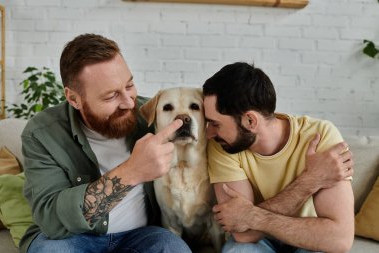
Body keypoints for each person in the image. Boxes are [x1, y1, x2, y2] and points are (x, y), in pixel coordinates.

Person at [19, 34, 191, 253]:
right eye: (110, 97)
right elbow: (52, 220)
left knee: (173, 248)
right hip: (71, 238)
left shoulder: (151, 114)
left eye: (129, 85)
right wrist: (132, 172)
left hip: (141, 236)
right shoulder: (41, 134)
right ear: (74, 99)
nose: (128, 102)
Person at [203, 62, 354, 253]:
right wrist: (311, 180)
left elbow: (339, 240)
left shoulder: (320, 134)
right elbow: (242, 234)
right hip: (259, 243)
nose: (208, 134)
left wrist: (252, 216)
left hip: (310, 240)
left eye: (215, 124)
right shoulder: (223, 145)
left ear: (250, 120)